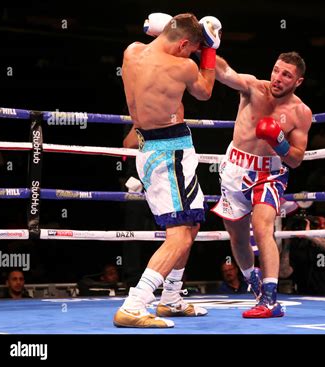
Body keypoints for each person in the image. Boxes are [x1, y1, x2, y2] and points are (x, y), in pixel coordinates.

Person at [113, 13, 222, 328]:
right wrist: (210, 50)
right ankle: (135, 304)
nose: (191, 56)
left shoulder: (132, 52)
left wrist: (184, 31)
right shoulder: (184, 66)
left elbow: (167, 34)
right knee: (178, 237)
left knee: (190, 226)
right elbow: (204, 91)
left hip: (148, 151)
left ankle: (171, 298)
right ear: (186, 45)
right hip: (170, 153)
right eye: (191, 49)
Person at [211, 52, 312, 318]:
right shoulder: (253, 89)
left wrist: (280, 143)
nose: (278, 78)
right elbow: (223, 72)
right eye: (277, 70)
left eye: (286, 75)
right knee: (238, 237)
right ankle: (252, 280)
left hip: (269, 174)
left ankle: (270, 300)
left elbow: (297, 158)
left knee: (263, 228)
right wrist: (207, 46)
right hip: (234, 169)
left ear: (298, 82)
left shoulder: (300, 113)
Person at [283, 214, 325, 296]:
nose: (322, 225)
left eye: (324, 224)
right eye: (318, 224)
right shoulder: (298, 246)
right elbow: (284, 273)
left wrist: (310, 235)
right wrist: (286, 243)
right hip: (305, 298)